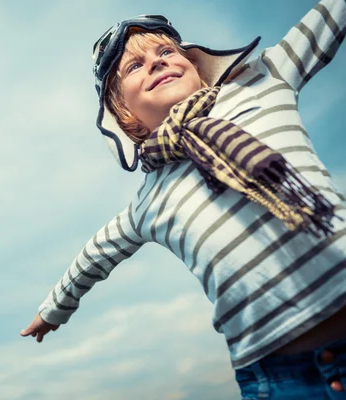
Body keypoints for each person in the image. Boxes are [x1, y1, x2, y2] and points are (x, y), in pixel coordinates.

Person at [21, 0, 346, 398]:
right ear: (125, 115)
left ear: (196, 66)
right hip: (278, 377)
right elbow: (95, 255)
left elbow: (328, 18)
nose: (156, 63)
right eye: (134, 66)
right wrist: (53, 310)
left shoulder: (265, 80)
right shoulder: (149, 201)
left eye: (167, 51)